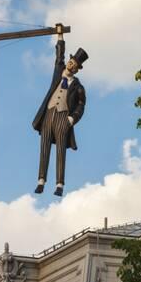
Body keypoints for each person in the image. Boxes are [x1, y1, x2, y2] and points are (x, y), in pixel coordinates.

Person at [32, 24, 88, 196]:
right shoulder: (58, 72)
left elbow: (81, 105)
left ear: (78, 69)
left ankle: (59, 184)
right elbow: (59, 56)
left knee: (60, 151)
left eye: (74, 65)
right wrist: (60, 36)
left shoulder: (78, 86)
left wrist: (72, 119)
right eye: (71, 62)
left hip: (64, 117)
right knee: (44, 146)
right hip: (49, 114)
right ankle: (41, 180)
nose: (71, 65)